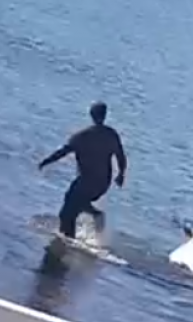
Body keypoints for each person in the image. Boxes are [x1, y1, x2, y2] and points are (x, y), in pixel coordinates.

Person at [38, 102, 128, 238]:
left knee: (66, 213)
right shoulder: (111, 135)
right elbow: (121, 156)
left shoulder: (82, 136)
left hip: (86, 182)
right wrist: (121, 175)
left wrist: (46, 162)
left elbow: (63, 151)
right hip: (103, 183)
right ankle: (95, 215)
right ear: (105, 115)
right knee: (76, 202)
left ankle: (68, 241)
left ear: (91, 114)